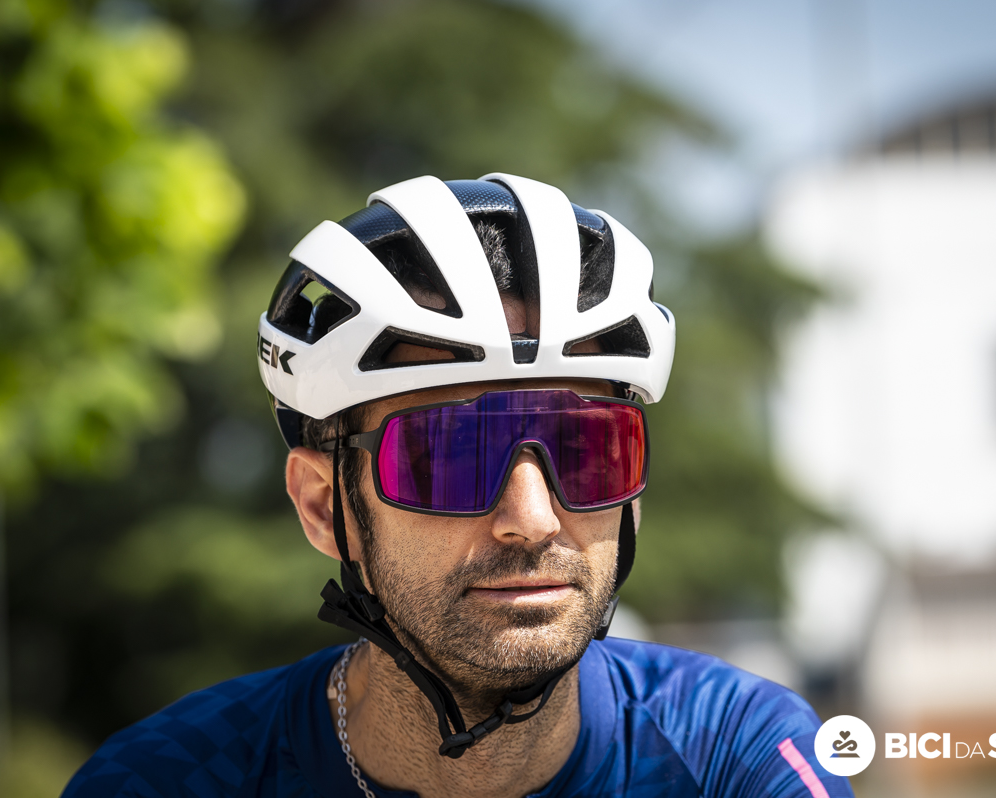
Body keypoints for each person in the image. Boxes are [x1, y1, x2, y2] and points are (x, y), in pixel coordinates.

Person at [63, 174, 852, 797]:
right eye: (449, 455)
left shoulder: (733, 755)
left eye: (586, 449)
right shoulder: (162, 782)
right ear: (323, 507)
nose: (533, 519)